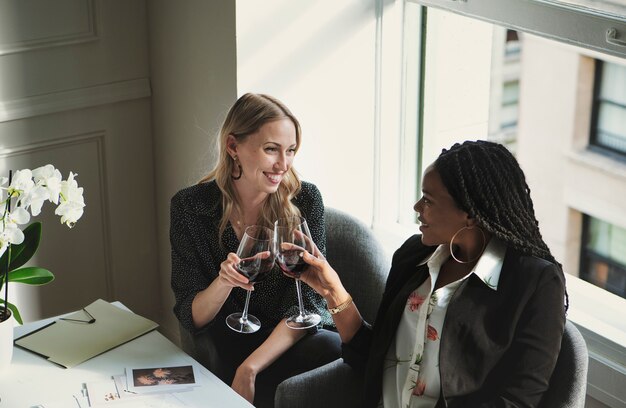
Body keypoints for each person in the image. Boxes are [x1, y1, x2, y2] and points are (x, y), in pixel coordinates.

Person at [299, 140, 567, 407]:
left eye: (428, 200)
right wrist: (332, 291)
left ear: (471, 215)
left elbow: (518, 401)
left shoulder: (536, 283)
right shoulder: (413, 256)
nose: (417, 207)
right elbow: (372, 359)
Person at [170, 93, 341, 407]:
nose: (283, 164)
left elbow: (309, 305)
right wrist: (223, 282)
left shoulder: (306, 200)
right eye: (271, 149)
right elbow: (190, 314)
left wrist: (250, 368)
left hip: (289, 337)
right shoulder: (190, 208)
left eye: (290, 151)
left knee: (333, 349)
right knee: (224, 353)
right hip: (229, 339)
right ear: (233, 147)